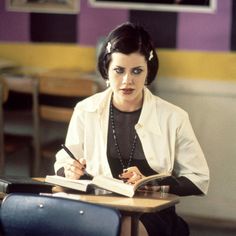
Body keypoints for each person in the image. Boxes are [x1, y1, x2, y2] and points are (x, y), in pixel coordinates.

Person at [54, 22, 209, 236]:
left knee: (123, 229)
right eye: (119, 71)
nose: (128, 81)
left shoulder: (174, 117)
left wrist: (151, 180)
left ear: (148, 72)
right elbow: (63, 162)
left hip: (151, 211)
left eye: (137, 71)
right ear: (106, 71)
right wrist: (69, 169)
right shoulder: (85, 110)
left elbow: (198, 178)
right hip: (98, 205)